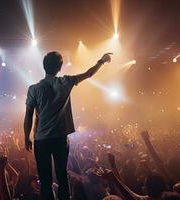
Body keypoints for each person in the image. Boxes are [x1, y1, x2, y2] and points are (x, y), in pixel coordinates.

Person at [23, 51, 113, 200]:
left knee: (45, 181)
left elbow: (28, 116)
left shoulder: (34, 88)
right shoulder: (65, 82)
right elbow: (88, 74)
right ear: (60, 67)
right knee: (62, 177)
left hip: (41, 140)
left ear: (44, 67)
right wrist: (101, 61)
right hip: (60, 139)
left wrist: (26, 137)